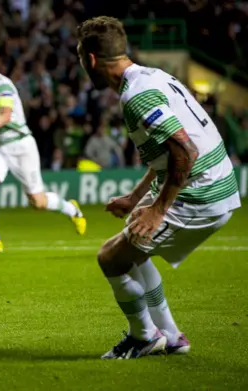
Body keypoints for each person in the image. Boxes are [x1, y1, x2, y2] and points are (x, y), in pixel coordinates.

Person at [76, 16, 241, 359]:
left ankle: (144, 337)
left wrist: (158, 209)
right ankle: (169, 335)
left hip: (201, 192)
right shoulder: (152, 76)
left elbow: (185, 151)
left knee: (110, 257)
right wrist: (137, 198)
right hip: (215, 182)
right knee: (134, 234)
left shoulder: (137, 97)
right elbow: (169, 152)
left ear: (90, 59)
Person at [0, 52, 86, 254]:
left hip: (20, 146)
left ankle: (72, 209)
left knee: (38, 202)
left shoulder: (4, 86)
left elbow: (5, 116)